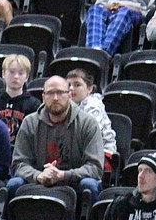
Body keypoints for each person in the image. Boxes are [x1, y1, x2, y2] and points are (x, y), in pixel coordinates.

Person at [8, 74, 103, 205]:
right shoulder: (30, 122)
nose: (55, 98)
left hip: (73, 183)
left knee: (89, 185)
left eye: (60, 93)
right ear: (43, 97)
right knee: (14, 184)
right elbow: (19, 164)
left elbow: (95, 167)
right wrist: (38, 176)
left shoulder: (88, 123)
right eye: (50, 93)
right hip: (39, 180)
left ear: (69, 95)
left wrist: (63, 175)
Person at [67, 68, 116, 175]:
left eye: (77, 85)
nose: (71, 88)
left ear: (89, 89)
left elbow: (89, 137)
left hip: (102, 155)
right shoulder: (71, 106)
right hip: (79, 154)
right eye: (69, 85)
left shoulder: (93, 106)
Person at [0, 54, 37, 142]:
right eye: (11, 72)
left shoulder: (34, 105)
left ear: (27, 77)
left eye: (21, 73)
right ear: (3, 74)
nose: (16, 77)